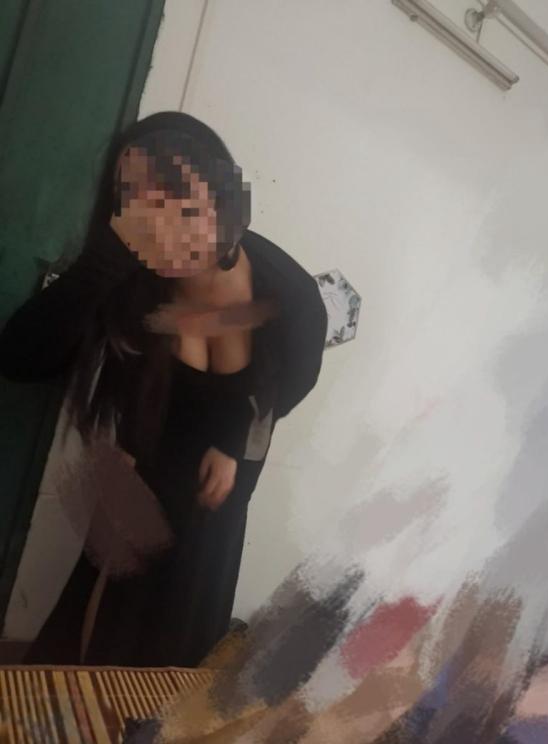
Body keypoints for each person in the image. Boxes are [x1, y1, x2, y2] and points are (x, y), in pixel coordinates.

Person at [0, 111, 328, 667]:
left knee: (178, 637)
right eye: (137, 197)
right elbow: (20, 358)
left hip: (221, 477)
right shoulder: (128, 272)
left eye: (178, 193)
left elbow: (291, 384)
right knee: (95, 626)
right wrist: (107, 255)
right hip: (140, 464)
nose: (163, 216)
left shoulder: (286, 295)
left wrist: (232, 441)